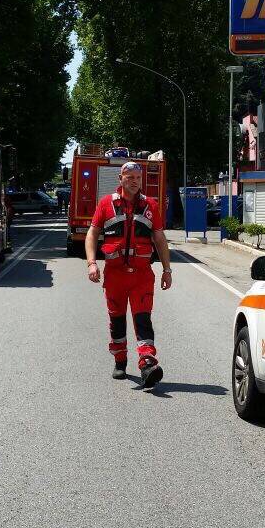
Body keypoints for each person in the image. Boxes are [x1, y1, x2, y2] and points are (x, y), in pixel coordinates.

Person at [85, 161, 173, 388]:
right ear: (120, 179)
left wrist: (166, 269)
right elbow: (92, 234)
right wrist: (92, 263)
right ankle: (120, 360)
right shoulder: (106, 204)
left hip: (142, 276)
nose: (134, 181)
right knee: (117, 319)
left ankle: (147, 363)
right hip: (115, 276)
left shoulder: (151, 205)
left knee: (143, 319)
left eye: (137, 177)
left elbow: (160, 239)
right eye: (129, 177)